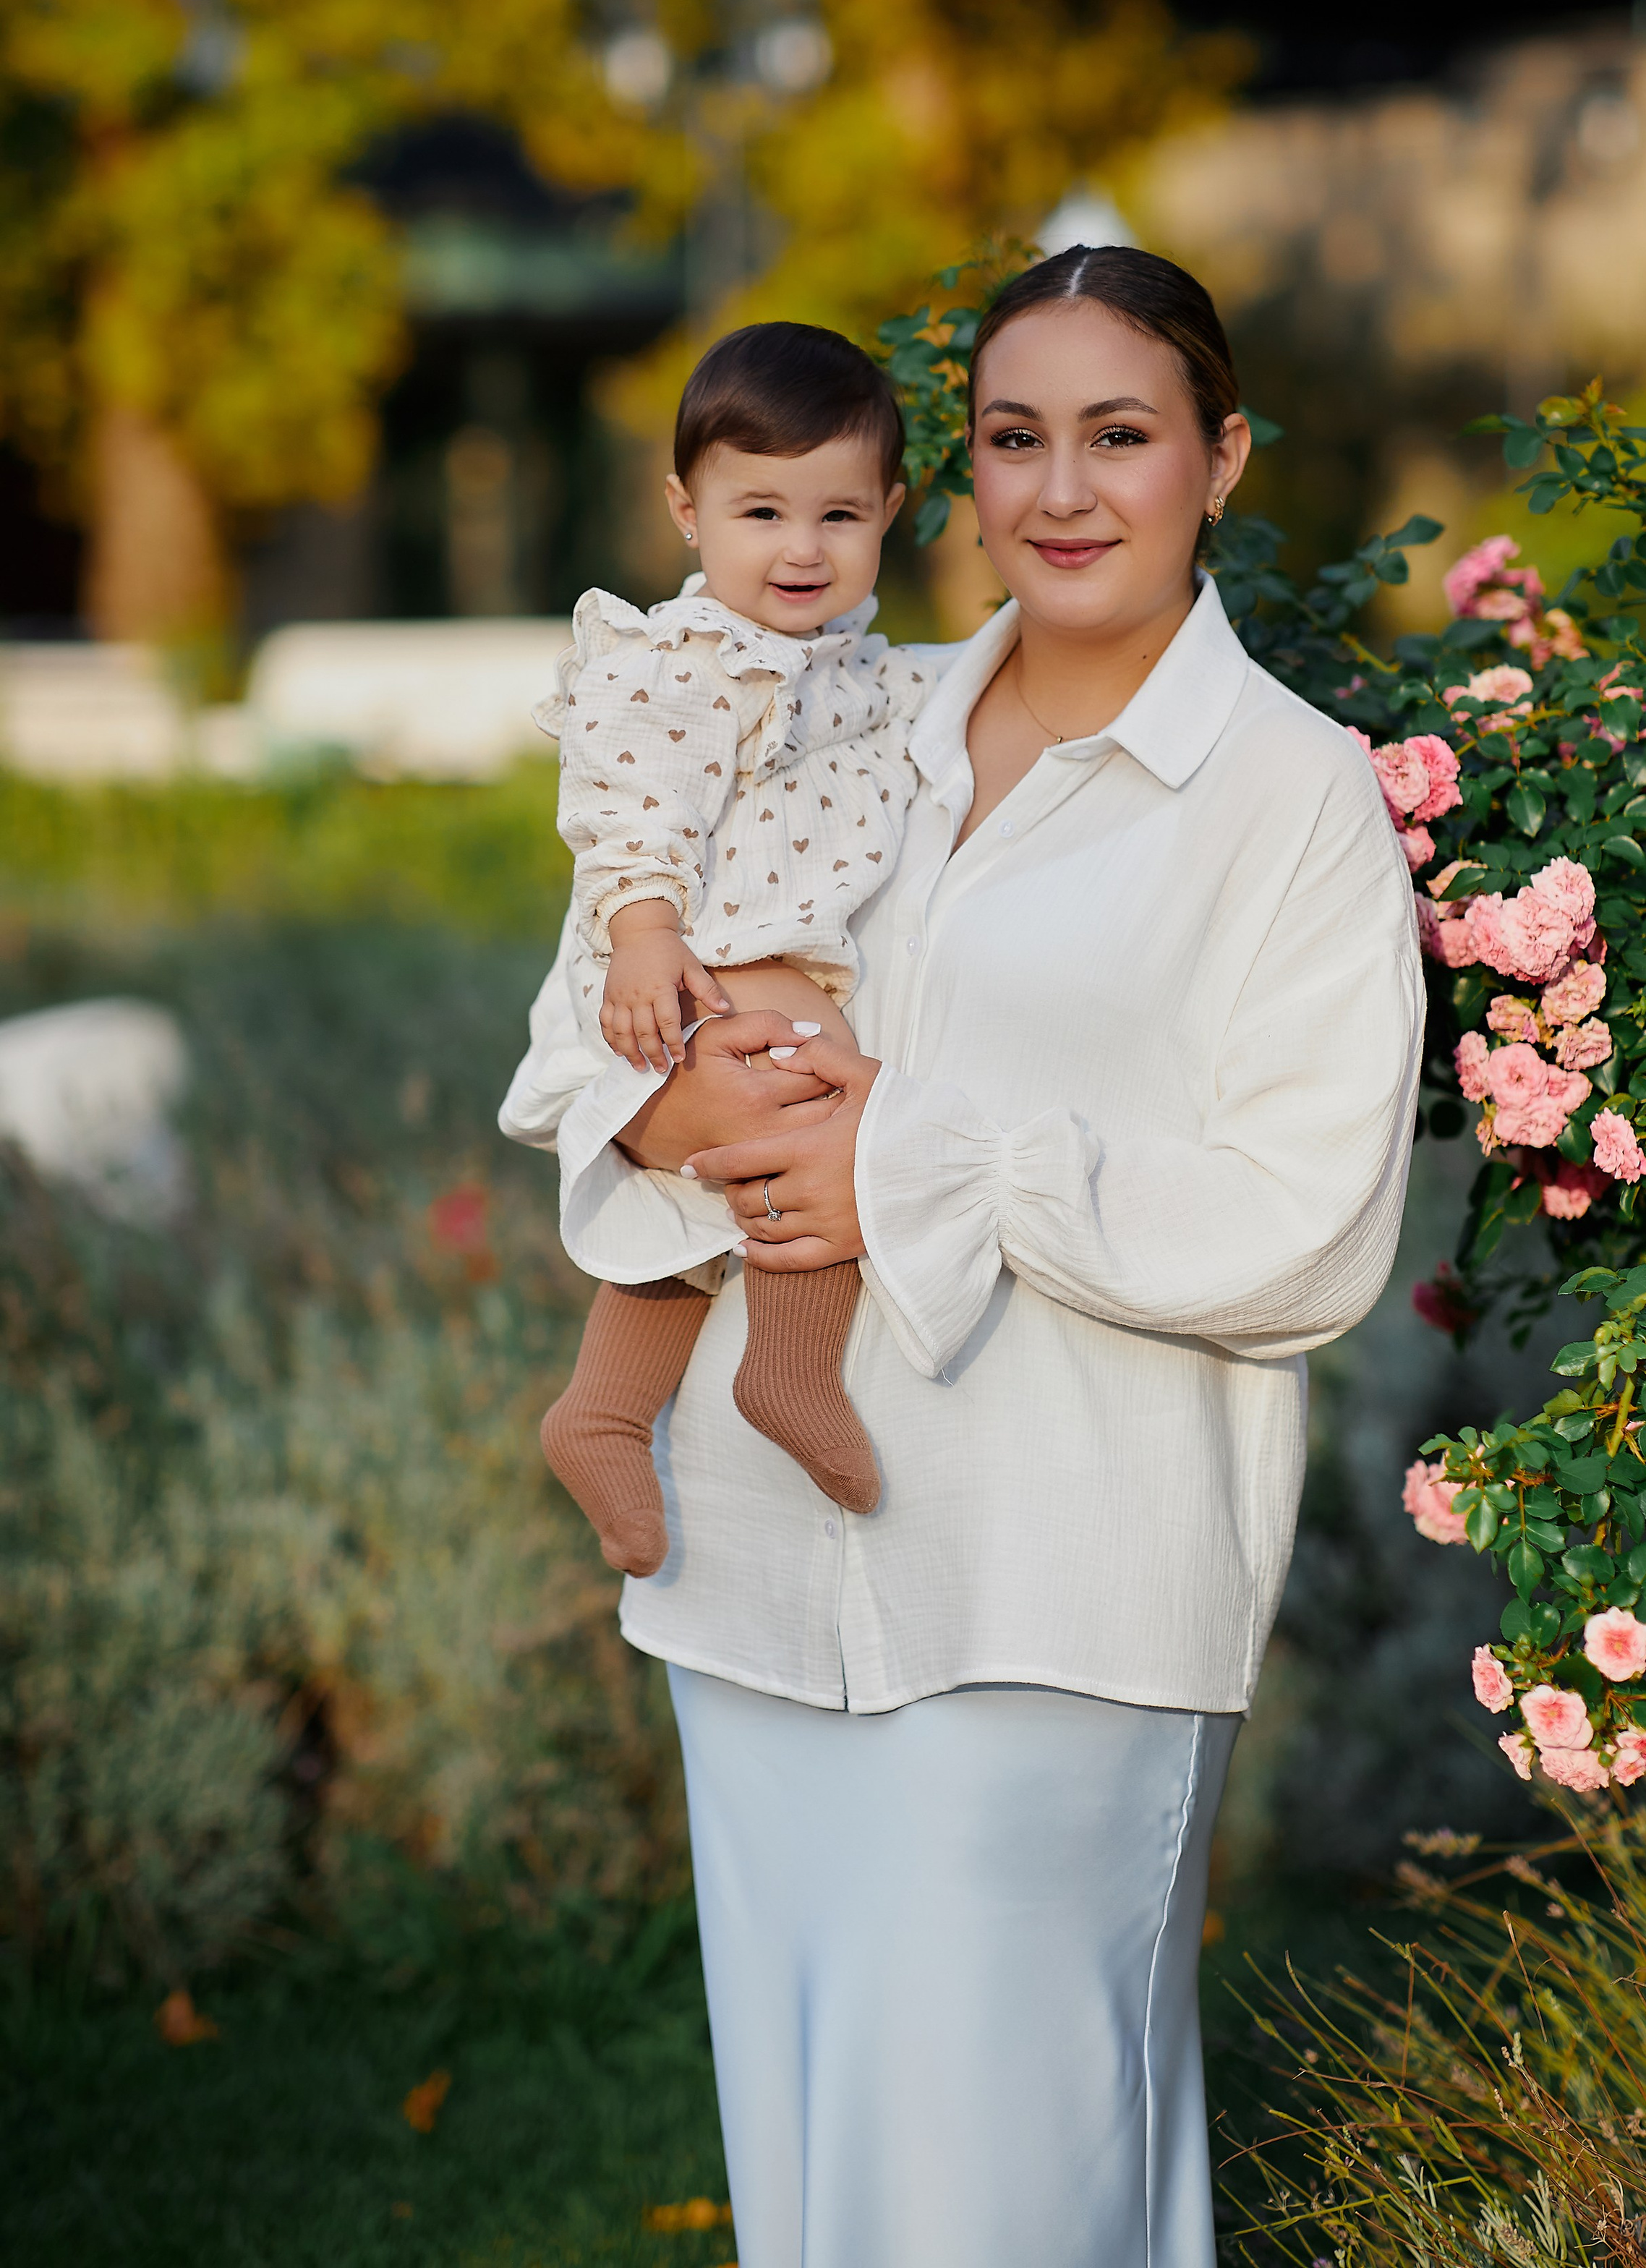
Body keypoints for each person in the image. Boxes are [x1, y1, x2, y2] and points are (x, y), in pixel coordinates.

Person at [500, 244, 1423, 2268]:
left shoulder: (1291, 801)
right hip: (749, 1568)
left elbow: (1305, 1227)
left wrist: (914, 1163)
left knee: (1008, 2192)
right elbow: (591, 1004)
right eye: (1017, 438)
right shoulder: (846, 713)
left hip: (1056, 1590)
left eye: (1121, 435)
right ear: (961, 475)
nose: (1065, 490)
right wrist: (678, 1114)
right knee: (824, 2181)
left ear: (1223, 458)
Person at [532, 321, 929, 1578]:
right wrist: (644, 927)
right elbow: (629, 798)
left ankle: (601, 1410)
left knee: (712, 1179)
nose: (801, 549)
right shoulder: (686, 660)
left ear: (892, 514)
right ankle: (789, 1369)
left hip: (762, 954)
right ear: (687, 510)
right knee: (815, 1098)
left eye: (839, 516)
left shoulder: (866, 668)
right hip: (685, 950)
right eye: (761, 510)